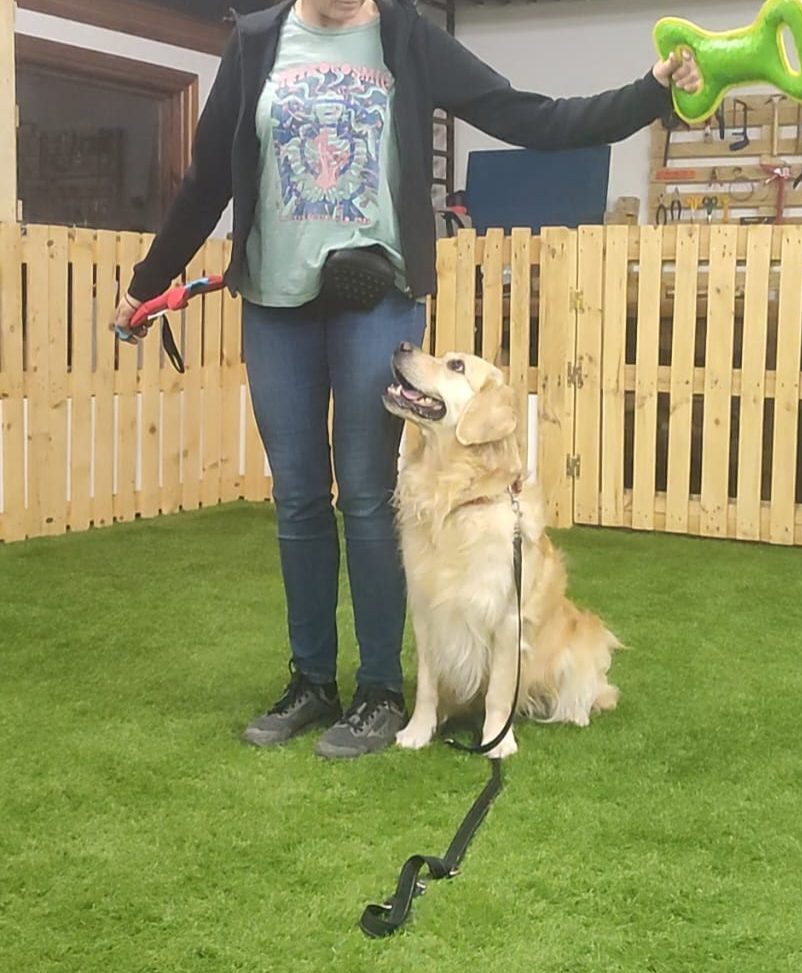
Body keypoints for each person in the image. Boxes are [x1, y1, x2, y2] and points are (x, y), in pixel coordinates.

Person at [113, 0, 700, 760]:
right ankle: (310, 680)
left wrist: (651, 90)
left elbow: (534, 117)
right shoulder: (255, 43)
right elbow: (207, 182)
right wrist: (146, 282)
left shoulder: (407, 37)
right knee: (296, 496)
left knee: (365, 495)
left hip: (375, 302)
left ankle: (380, 691)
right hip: (274, 306)